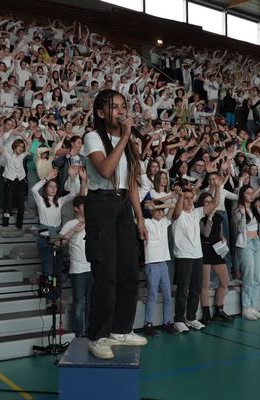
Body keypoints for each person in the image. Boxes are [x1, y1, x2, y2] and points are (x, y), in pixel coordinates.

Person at [83, 89, 147, 360]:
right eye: (114, 107)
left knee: (129, 270)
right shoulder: (92, 137)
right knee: (106, 273)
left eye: (123, 106)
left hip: (122, 205)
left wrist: (139, 217)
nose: (120, 111)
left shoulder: (125, 141)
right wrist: (125, 138)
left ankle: (121, 329)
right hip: (101, 203)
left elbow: (130, 180)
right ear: (100, 113)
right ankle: (98, 336)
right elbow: (106, 170)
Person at [171, 184, 217, 333]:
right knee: (183, 290)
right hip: (183, 256)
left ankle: (191, 318)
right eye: (186, 199)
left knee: (195, 289)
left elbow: (214, 204)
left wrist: (218, 187)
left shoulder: (196, 213)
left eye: (191, 198)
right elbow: (176, 213)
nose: (190, 201)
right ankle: (179, 319)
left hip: (198, 255)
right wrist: (179, 197)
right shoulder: (177, 214)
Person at [233, 185, 260, 321]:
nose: (251, 195)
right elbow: (240, 228)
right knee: (248, 277)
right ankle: (246, 308)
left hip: (257, 242)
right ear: (243, 195)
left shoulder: (256, 208)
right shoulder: (238, 210)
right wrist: (243, 215)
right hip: (246, 244)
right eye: (248, 193)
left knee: (256, 277)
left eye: (252, 193)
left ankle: (253, 306)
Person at [142, 199, 178, 336]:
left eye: (162, 211)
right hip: (152, 263)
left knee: (167, 295)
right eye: (158, 211)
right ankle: (148, 323)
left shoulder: (164, 222)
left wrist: (158, 206)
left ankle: (167, 322)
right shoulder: (147, 222)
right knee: (152, 295)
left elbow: (173, 206)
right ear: (152, 212)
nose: (162, 213)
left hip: (163, 263)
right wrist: (153, 207)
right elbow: (138, 215)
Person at [59, 196, 91, 337]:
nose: (87, 208)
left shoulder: (93, 222)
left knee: (91, 302)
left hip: (92, 267)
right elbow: (58, 243)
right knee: (79, 302)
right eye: (84, 205)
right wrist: (74, 231)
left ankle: (91, 331)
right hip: (78, 269)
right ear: (76, 209)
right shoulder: (70, 224)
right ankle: (78, 333)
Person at [198, 189, 230, 324]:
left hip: (217, 249)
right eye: (206, 202)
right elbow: (205, 233)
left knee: (225, 282)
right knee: (205, 285)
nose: (209, 204)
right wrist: (209, 218)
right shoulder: (199, 217)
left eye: (211, 202)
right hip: (204, 249)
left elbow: (219, 232)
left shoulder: (219, 217)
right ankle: (206, 313)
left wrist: (223, 238)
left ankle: (219, 309)